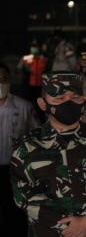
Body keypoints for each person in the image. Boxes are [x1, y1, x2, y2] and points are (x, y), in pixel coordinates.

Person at [10, 71, 86, 237]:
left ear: (84, 101)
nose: (69, 103)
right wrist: (72, 229)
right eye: (59, 99)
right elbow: (25, 197)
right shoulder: (26, 146)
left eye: (75, 97)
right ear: (43, 104)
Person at [0, 62, 40, 237]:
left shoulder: (24, 107)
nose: (1, 83)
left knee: (15, 215)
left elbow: (37, 136)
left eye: (4, 78)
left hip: (15, 171)